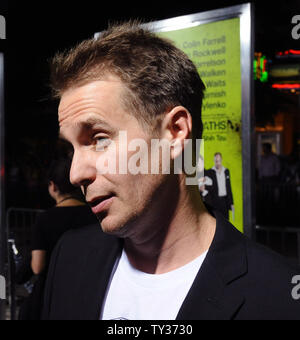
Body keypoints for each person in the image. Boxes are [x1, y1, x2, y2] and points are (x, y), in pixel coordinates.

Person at [42, 22, 300, 320]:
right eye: (72, 149)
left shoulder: (278, 298)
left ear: (175, 132)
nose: (75, 174)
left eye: (99, 139)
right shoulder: (69, 258)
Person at [19, 157, 98, 320]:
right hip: (87, 288)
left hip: (53, 291)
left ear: (53, 186)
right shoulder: (93, 214)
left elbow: (37, 267)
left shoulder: (45, 219)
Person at [209, 152, 234, 220]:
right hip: (215, 201)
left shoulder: (226, 171)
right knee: (216, 220)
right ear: (214, 161)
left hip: (225, 201)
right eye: (216, 161)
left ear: (221, 160)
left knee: (226, 220)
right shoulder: (211, 172)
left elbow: (229, 187)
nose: (218, 162)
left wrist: (231, 203)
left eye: (219, 160)